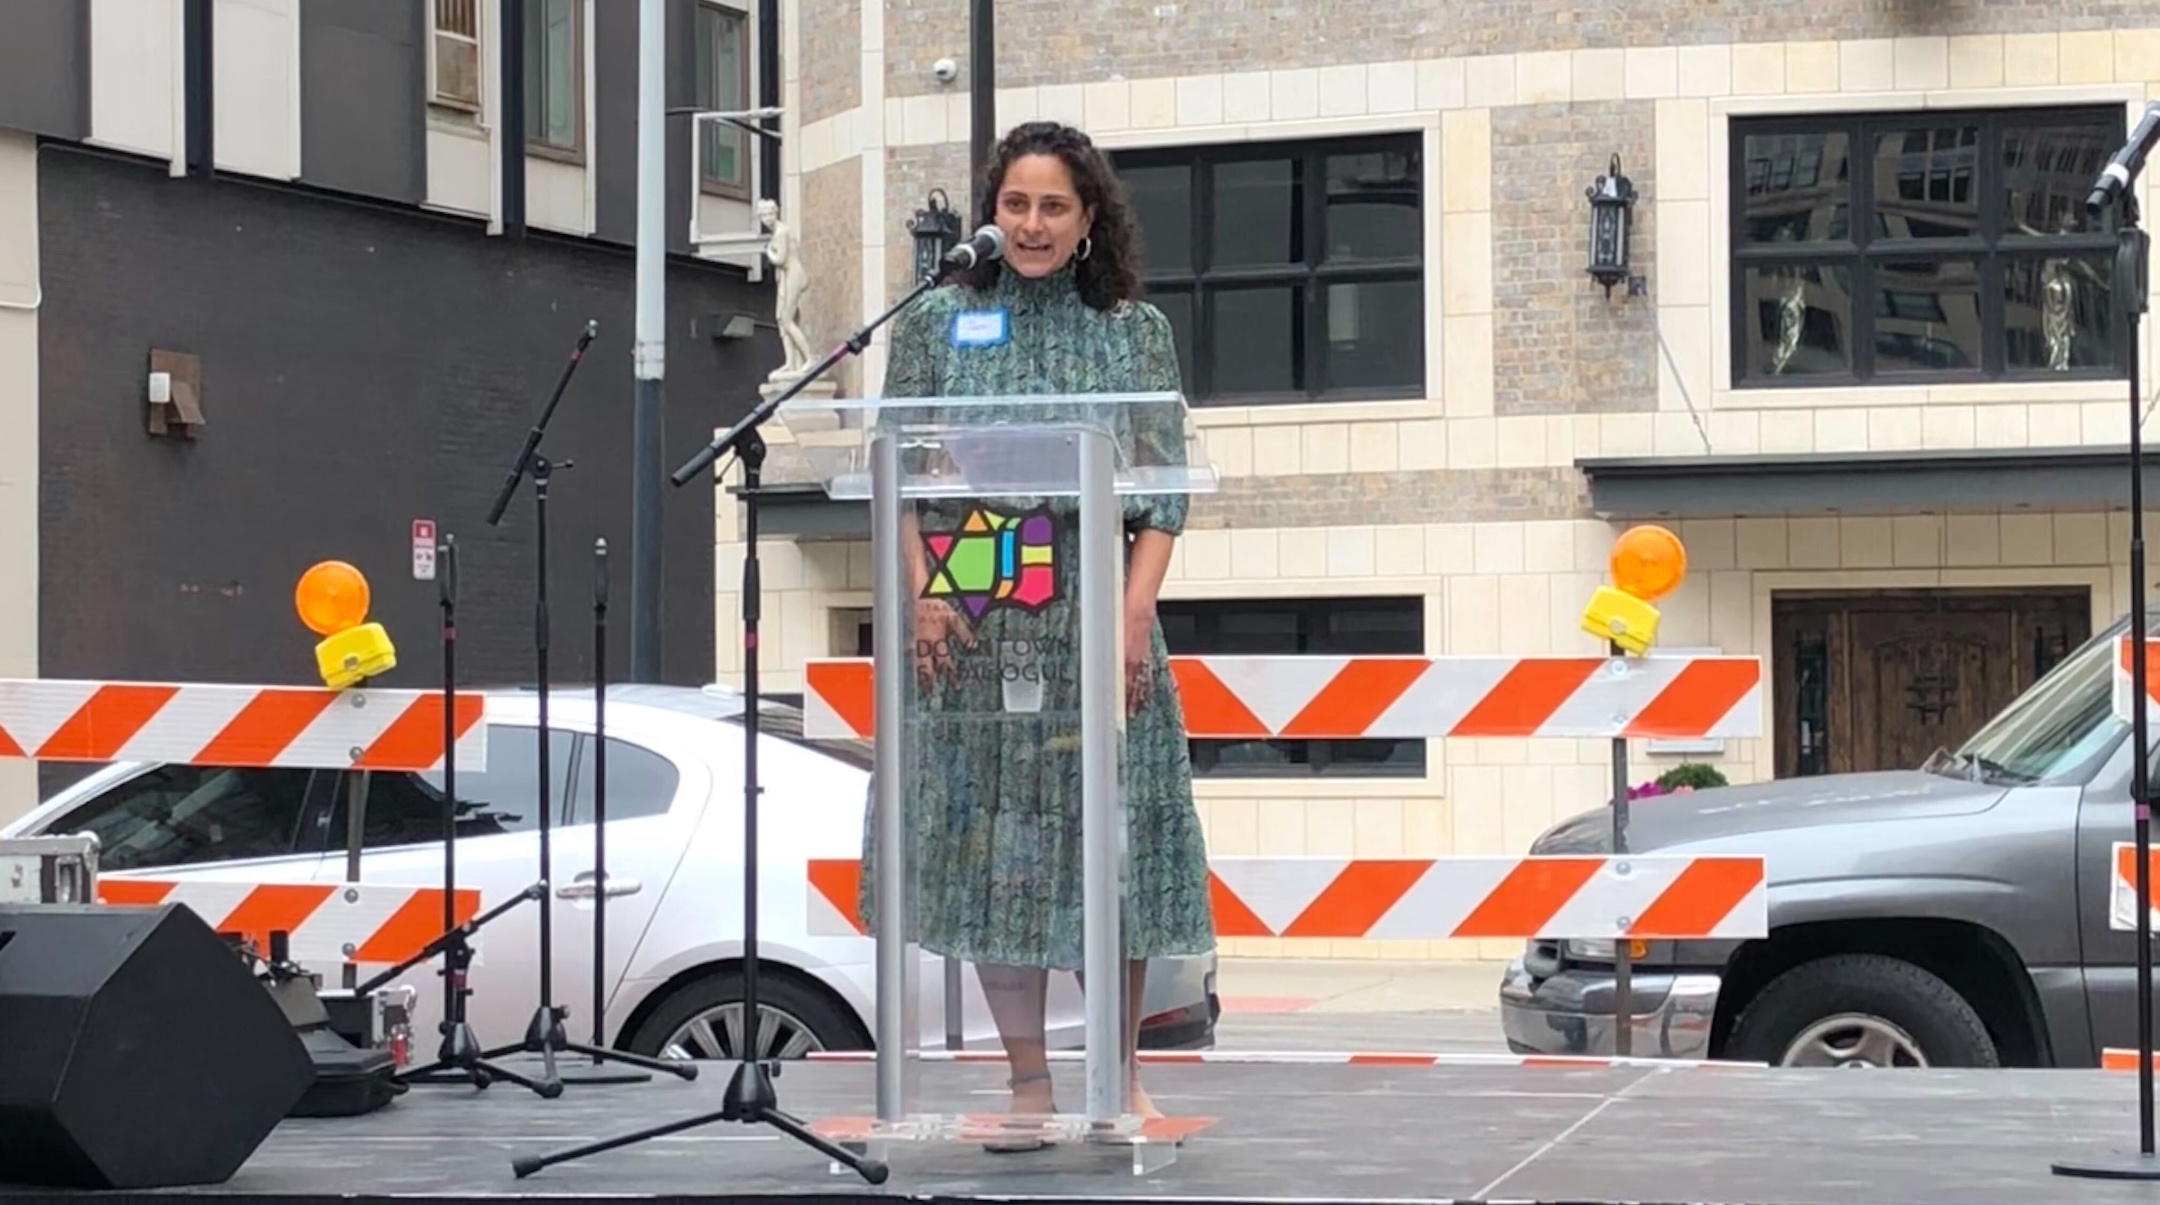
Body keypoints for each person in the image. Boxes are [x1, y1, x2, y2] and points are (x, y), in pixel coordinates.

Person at [855, 120, 1216, 1150]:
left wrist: (1133, 615)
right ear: (990, 210)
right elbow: (901, 473)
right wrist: (927, 590)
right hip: (970, 607)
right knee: (990, 846)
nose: (1032, 223)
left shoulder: (1132, 330)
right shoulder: (937, 317)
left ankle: (1119, 1074)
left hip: (1094, 610)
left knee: (1115, 841)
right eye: (1015, 203)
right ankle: (1027, 1085)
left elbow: (1165, 495)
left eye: (1055, 205)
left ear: (1090, 218)